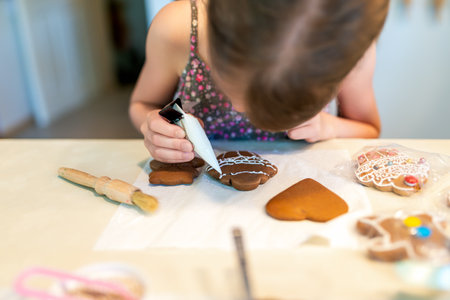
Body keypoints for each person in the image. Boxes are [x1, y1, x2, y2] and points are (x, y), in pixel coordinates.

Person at [129, 0, 389, 163]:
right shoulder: (177, 30)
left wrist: (329, 127)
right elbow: (141, 104)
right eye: (230, 88)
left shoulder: (350, 53)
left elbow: (368, 128)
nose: (241, 111)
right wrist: (155, 125)